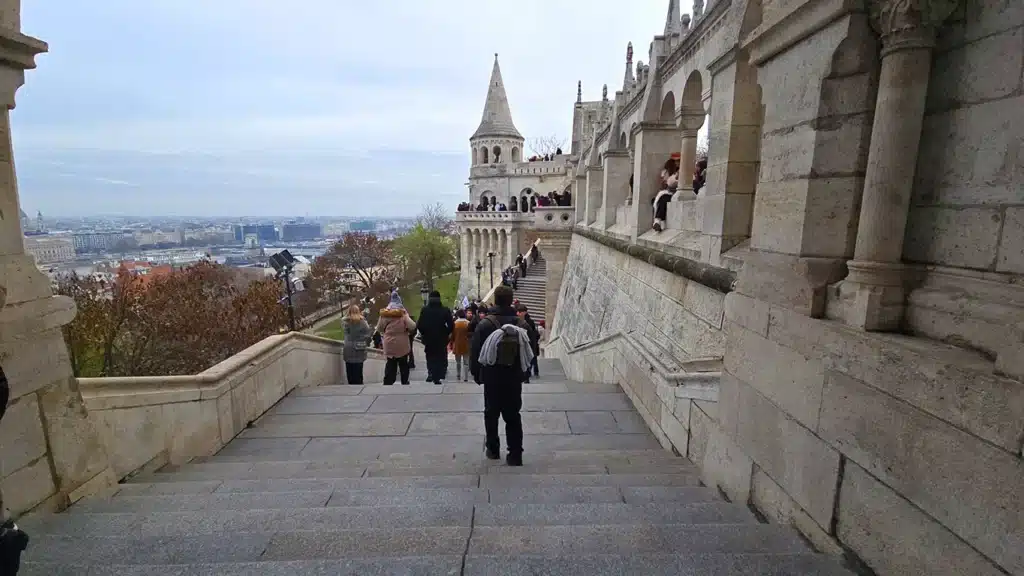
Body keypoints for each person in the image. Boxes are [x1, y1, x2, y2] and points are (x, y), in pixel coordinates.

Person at [471, 286, 534, 466]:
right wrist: (524, 373)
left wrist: (477, 374)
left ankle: (493, 449)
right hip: (513, 377)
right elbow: (531, 351)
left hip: (492, 376)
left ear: (496, 300)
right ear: (511, 300)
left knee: (491, 414)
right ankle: (515, 454)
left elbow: (475, 352)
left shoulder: (485, 324)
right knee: (513, 415)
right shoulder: (522, 325)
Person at [376, 291, 418, 385]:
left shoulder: (385, 314)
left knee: (390, 362)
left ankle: (388, 381)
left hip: (389, 342)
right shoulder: (402, 313)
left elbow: (379, 328)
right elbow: (412, 326)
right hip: (402, 342)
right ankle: (404, 381)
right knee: (403, 363)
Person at [417, 290, 454, 384]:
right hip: (441, 338)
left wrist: (424, 333)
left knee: (430, 356)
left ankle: (430, 373)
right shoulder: (445, 310)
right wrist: (446, 333)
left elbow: (419, 325)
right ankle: (438, 375)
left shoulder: (425, 310)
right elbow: (451, 325)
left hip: (428, 338)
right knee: (440, 356)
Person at [342, 304, 372, 384]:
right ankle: (359, 386)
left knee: (350, 371)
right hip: (359, 347)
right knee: (358, 372)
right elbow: (368, 334)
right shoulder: (363, 322)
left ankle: (351, 386)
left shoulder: (345, 322)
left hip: (348, 347)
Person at [652, 156, 680, 232]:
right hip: (670, 192)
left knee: (663, 198)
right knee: (656, 200)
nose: (677, 163)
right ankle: (657, 222)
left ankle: (658, 221)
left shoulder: (680, 172)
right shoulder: (670, 173)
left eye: (678, 161)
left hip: (676, 193)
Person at [517, 304, 541, 382]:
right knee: (530, 359)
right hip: (526, 343)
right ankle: (529, 374)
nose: (518, 313)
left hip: (528, 343)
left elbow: (533, 333)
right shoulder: (520, 321)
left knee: (528, 359)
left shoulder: (527, 322)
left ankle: (527, 375)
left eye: (519, 312)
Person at [450, 309, 472, 382]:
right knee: (466, 362)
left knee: (458, 362)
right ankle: (466, 377)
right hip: (466, 344)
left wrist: (451, 343)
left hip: (457, 344)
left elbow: (452, 335)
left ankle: (458, 374)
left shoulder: (455, 323)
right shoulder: (468, 323)